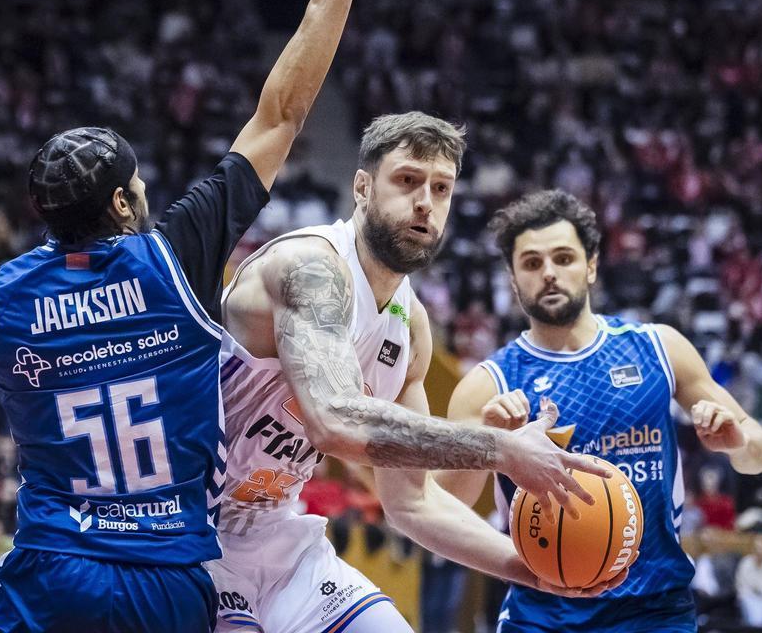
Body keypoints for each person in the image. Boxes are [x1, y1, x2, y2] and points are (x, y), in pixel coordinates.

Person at [0, 0, 378, 633]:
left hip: (52, 574)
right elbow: (281, 116)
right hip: (169, 578)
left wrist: (8, 355)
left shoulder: (2, 297)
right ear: (123, 202)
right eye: (138, 183)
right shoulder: (173, 257)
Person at [211, 114, 610, 632]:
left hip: (274, 535)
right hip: (186, 530)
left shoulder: (411, 325)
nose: (425, 201)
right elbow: (333, 421)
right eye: (407, 180)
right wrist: (502, 449)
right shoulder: (310, 266)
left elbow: (412, 501)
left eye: (441, 188)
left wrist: (530, 569)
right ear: (362, 187)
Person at [438, 189, 762, 632]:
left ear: (591, 265)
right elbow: (441, 507)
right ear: (513, 278)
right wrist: (488, 444)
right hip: (543, 614)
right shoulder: (488, 385)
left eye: (563, 258)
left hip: (655, 609)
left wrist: (737, 442)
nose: (549, 273)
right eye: (532, 263)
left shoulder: (659, 348)